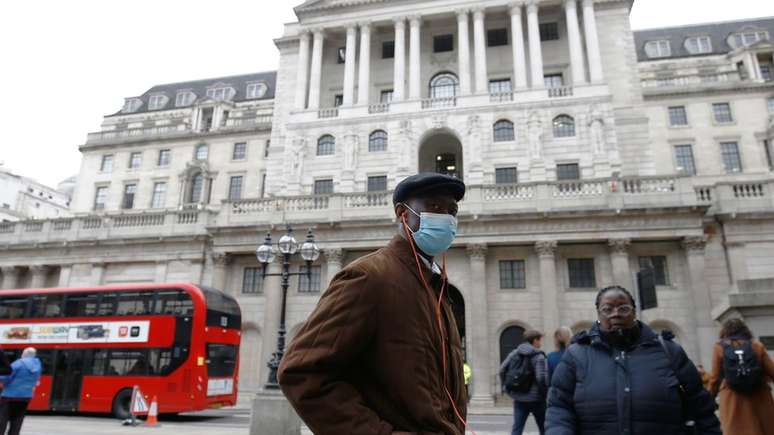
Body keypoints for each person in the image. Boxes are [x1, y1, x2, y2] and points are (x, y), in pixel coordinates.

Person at [279, 173, 468, 435]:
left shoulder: (435, 285)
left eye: (452, 211)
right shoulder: (369, 277)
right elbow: (301, 371)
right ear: (403, 213)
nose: (447, 219)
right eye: (435, 207)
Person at [546, 286, 721, 435]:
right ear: (598, 315)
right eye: (607, 309)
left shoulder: (669, 351)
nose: (616, 314)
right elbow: (559, 407)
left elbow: (701, 406)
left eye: (623, 308)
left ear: (634, 311)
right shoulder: (577, 354)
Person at [709, 318, 774, 435]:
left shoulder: (719, 348)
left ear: (724, 331)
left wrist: (709, 399)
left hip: (732, 399)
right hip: (759, 398)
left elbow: (714, 379)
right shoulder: (756, 345)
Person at [500, 330, 548, 435]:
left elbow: (502, 369)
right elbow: (541, 379)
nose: (540, 343)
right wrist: (545, 395)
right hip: (537, 399)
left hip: (519, 398)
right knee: (544, 428)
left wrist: (506, 387)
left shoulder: (514, 353)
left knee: (517, 429)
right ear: (535, 340)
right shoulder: (538, 356)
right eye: (539, 340)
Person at [0, 348, 41, 435]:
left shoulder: (18, 364)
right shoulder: (38, 365)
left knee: (2, 419)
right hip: (26, 397)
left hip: (10, 396)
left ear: (24, 354)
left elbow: (6, 377)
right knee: (17, 420)